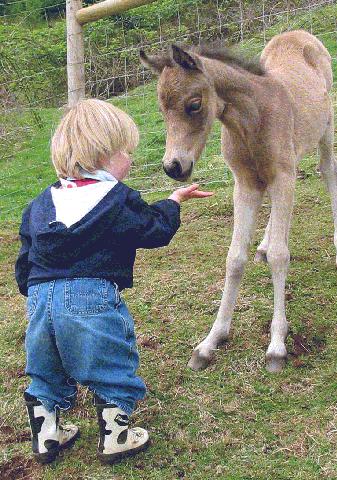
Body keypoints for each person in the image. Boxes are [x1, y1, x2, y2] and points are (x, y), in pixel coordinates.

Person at [15, 98, 213, 465]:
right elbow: (155, 229)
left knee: (46, 365)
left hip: (40, 300)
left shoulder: (40, 203)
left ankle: (46, 434)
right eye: (127, 151)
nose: (131, 159)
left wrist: (33, 293)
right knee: (109, 361)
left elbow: (25, 257)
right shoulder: (117, 199)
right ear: (105, 155)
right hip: (92, 296)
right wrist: (172, 202)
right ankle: (117, 436)